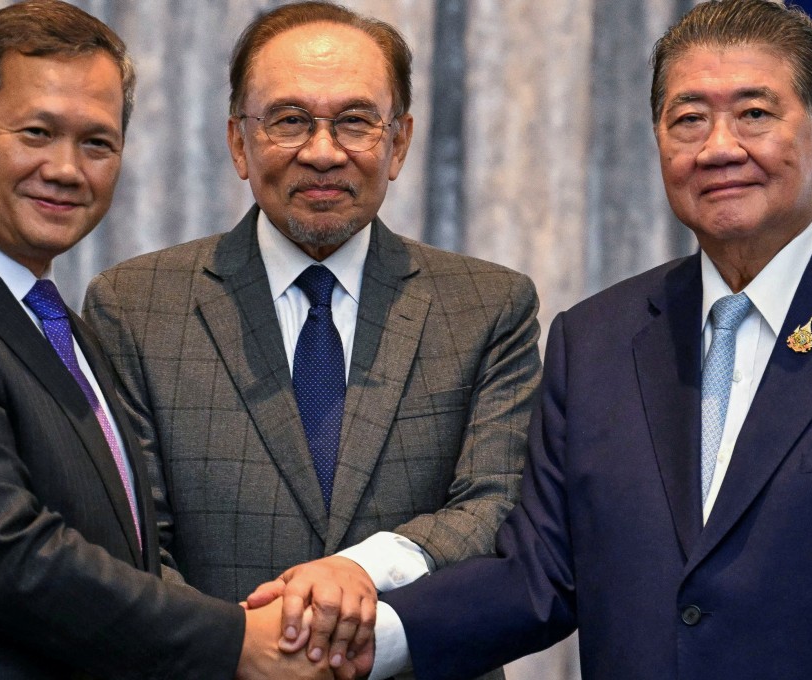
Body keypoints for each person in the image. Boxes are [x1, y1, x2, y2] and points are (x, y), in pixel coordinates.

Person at [0, 2, 333, 678]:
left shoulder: (58, 320)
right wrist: (235, 641)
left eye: (96, 143)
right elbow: (11, 560)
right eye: (38, 132)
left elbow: (122, 545)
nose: (67, 169)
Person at [367, 0, 812, 678]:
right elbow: (540, 575)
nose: (718, 147)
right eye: (688, 119)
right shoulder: (597, 340)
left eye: (755, 114)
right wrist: (367, 636)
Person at [83, 2, 541, 677]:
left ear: (400, 142)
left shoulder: (488, 305)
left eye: (355, 121)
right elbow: (133, 539)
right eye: (290, 120)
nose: (323, 152)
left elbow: (497, 504)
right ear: (240, 142)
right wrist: (240, 649)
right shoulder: (133, 306)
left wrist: (356, 571)